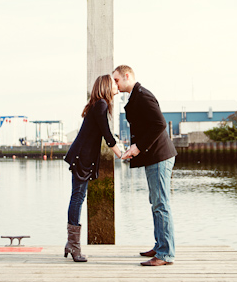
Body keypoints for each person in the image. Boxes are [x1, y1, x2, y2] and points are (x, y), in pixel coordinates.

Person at [113, 65, 177, 266]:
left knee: (161, 204)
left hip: (159, 157)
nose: (114, 84)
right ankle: (160, 246)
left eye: (116, 80)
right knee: (156, 203)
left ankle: (165, 254)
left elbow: (160, 124)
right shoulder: (136, 96)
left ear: (127, 76)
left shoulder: (142, 95)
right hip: (154, 157)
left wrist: (138, 147)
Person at [64, 74, 122, 262]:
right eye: (114, 82)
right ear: (106, 86)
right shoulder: (101, 105)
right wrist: (121, 154)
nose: (116, 85)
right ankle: (73, 245)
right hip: (82, 159)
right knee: (78, 198)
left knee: (77, 197)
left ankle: (71, 243)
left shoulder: (97, 105)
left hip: (83, 157)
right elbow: (107, 133)